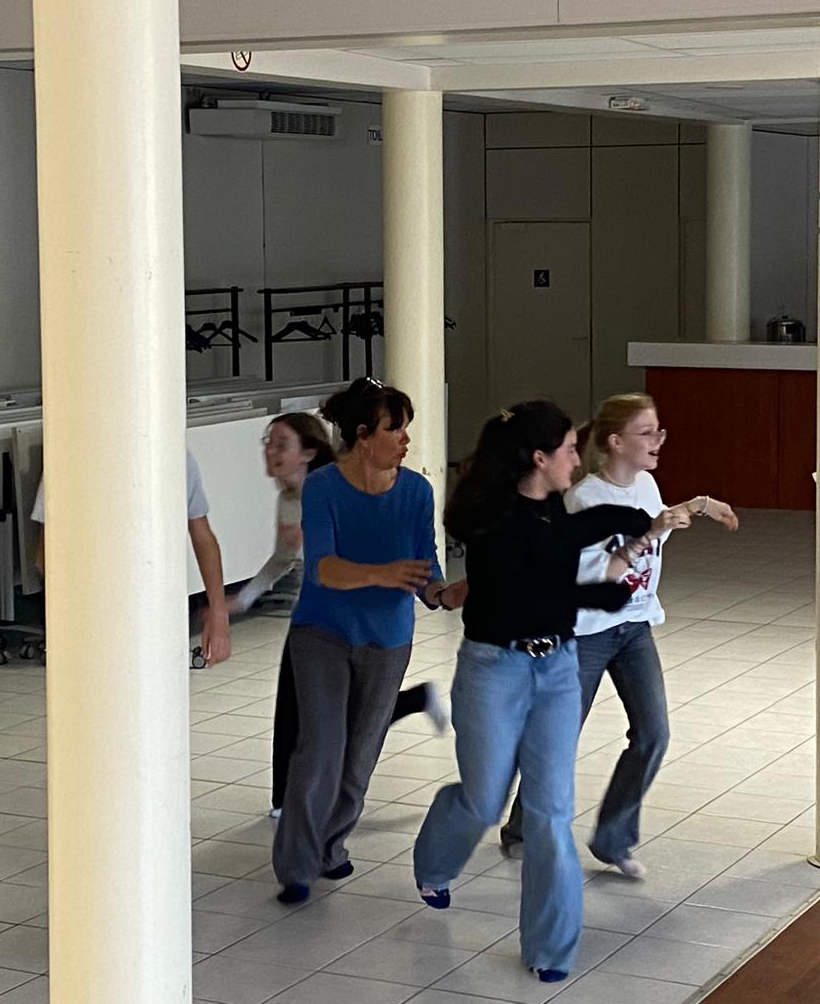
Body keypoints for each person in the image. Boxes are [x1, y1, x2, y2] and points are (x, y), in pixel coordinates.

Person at [412, 400, 689, 984]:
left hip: (558, 669)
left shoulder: (554, 511)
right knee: (485, 799)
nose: (575, 458)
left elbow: (578, 531)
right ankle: (435, 863)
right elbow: (526, 592)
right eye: (566, 449)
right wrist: (598, 594)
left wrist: (643, 521)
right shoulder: (494, 524)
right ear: (539, 458)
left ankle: (551, 948)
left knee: (550, 812)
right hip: (495, 669)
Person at [498, 393, 738, 878]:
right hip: (586, 631)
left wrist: (697, 506)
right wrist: (648, 533)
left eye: (659, 431)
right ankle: (522, 828)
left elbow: (655, 525)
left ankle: (613, 839)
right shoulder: (584, 499)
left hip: (634, 628)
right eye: (646, 433)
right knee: (559, 736)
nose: (657, 441)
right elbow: (586, 570)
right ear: (615, 442)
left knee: (653, 734)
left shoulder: (646, 484)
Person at [272, 378, 456, 905]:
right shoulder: (324, 487)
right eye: (395, 429)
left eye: (406, 429)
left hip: (388, 640)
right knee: (319, 752)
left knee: (357, 762)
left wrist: (444, 593)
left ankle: (330, 848)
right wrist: (384, 573)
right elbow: (323, 567)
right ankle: (296, 867)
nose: (405, 440)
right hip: (322, 633)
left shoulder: (417, 491)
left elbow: (425, 567)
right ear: (362, 434)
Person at [234, 412, 446, 821]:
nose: (270, 451)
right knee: (299, 711)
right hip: (313, 624)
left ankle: (415, 700)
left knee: (354, 719)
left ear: (307, 452)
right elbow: (284, 558)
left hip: (358, 623)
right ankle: (285, 801)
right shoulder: (289, 498)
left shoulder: (334, 489)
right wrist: (243, 599)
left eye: (281, 443)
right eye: (268, 441)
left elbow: (356, 556)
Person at [31, 448, 232, 663]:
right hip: (93, 612)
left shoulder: (176, 457)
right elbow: (46, 552)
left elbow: (203, 540)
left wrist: (218, 612)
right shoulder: (68, 454)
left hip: (148, 609)